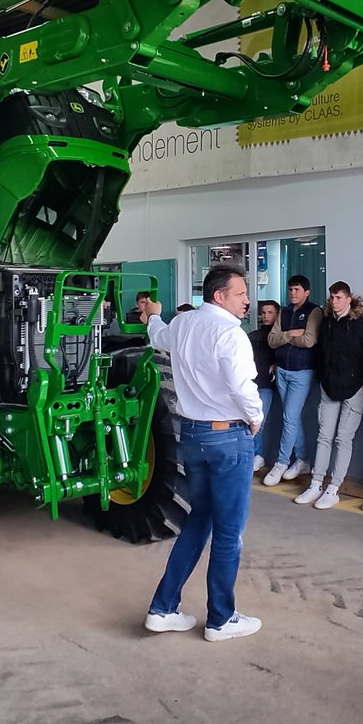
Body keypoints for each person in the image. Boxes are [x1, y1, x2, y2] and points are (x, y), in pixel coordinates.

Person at [139, 267, 264, 642]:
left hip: (192, 436)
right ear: (219, 296)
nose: (247, 300)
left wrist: (155, 313)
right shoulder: (231, 334)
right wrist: (256, 418)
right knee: (229, 533)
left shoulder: (183, 324)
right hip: (229, 438)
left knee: (198, 522)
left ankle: (163, 609)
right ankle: (221, 619)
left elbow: (158, 336)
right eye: (241, 293)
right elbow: (242, 387)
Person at [295, 282, 363, 510]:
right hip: (329, 388)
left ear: (349, 299)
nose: (334, 301)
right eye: (332, 297)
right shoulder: (327, 323)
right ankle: (316, 483)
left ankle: (334, 488)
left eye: (339, 297)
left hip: (354, 391)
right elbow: (321, 354)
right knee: (324, 437)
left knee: (343, 439)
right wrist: (323, 379)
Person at [263, 275, 321, 486]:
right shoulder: (285, 312)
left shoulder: (314, 311)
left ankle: (281, 462)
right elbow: (272, 340)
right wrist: (290, 334)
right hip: (282, 371)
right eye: (290, 290)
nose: (293, 293)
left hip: (301, 372)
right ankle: (303, 458)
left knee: (290, 417)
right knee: (292, 418)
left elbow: (309, 340)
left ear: (306, 292)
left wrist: (285, 338)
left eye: (297, 290)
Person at [248, 300, 280, 472]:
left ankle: (257, 455)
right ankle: (255, 455)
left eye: (270, 312)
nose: (266, 316)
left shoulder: (280, 338)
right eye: (264, 312)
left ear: (277, 314)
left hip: (268, 385)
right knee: (253, 420)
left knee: (261, 420)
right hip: (253, 384)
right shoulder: (253, 336)